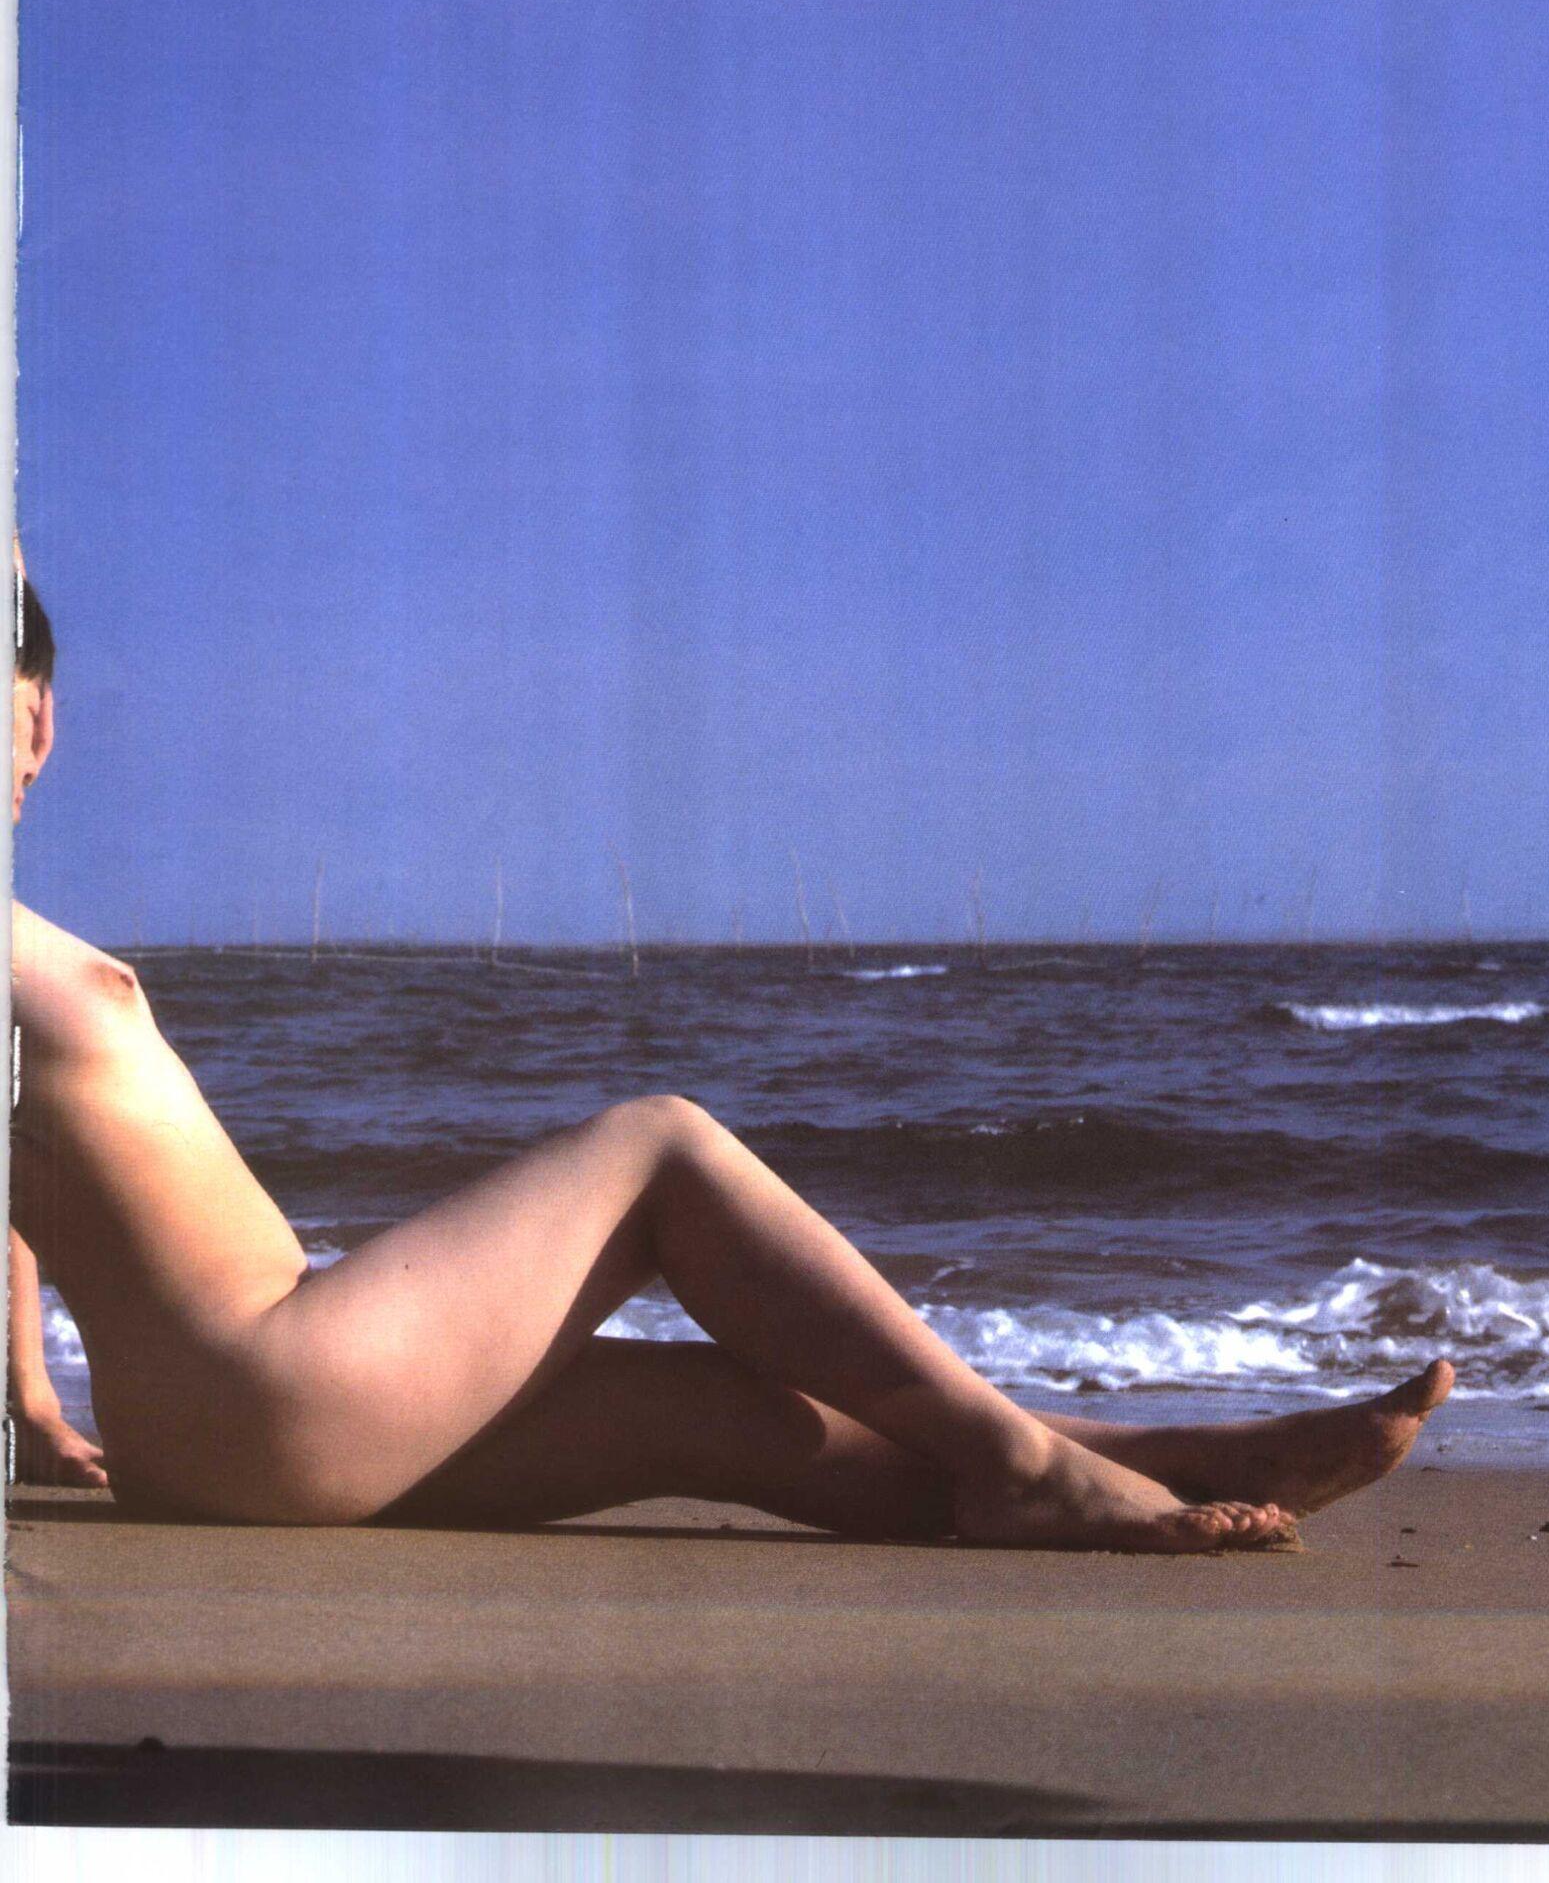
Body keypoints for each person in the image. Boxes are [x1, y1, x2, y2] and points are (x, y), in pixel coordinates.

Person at [7, 565, 1453, 1545]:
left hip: (232, 1430)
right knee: (661, 1147)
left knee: (720, 1415)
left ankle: (1176, 1463)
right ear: (43, 720)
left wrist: (31, 1407)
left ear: (38, 720)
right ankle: (1028, 1465)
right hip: (267, 1393)